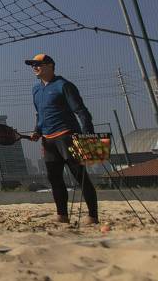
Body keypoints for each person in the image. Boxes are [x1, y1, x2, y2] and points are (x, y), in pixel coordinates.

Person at [26, 54, 98, 224]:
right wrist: (37, 130)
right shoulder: (36, 90)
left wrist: (87, 137)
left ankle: (93, 216)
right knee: (55, 179)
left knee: (80, 176)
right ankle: (62, 215)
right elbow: (40, 114)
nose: (34, 67)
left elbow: (81, 112)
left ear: (50, 66)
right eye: (32, 65)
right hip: (48, 140)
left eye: (38, 64)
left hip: (67, 137)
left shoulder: (64, 85)